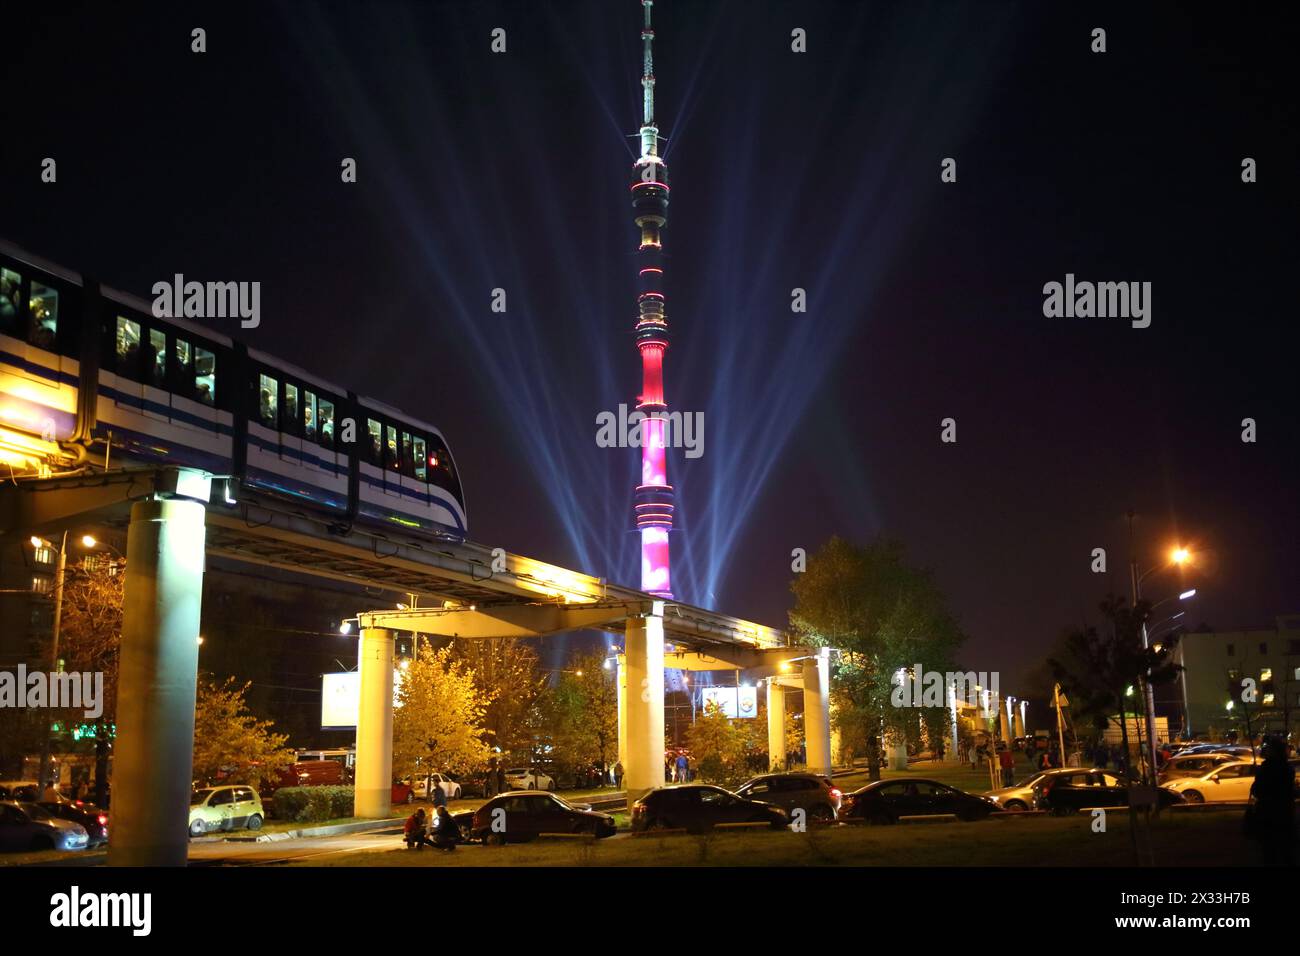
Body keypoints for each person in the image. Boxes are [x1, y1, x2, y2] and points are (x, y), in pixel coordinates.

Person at [1248, 736, 1296, 865]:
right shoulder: (1288, 768)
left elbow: (1257, 790)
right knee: (1285, 848)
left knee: (1269, 850)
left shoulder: (1266, 768)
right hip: (1285, 812)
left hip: (1268, 812)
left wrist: (1257, 778)